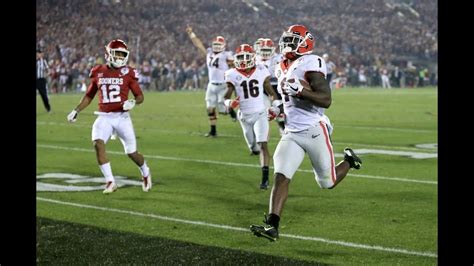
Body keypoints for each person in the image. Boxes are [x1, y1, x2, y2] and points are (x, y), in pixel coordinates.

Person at [250, 25, 362, 241]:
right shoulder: (282, 66)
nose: (286, 44)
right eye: (287, 40)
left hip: (314, 130)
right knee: (281, 176)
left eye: (292, 40)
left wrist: (301, 90)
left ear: (305, 43)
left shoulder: (311, 62)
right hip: (292, 132)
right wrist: (278, 108)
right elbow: (288, 98)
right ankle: (272, 226)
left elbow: (326, 99)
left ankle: (349, 160)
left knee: (326, 182)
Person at [66, 39, 152, 194]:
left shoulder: (128, 73)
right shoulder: (98, 71)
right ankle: (110, 182)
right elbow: (89, 95)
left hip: (122, 117)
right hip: (104, 117)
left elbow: (140, 96)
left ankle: (145, 172)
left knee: (131, 153)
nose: (120, 57)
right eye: (117, 54)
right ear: (108, 54)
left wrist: (133, 102)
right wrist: (76, 110)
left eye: (122, 54)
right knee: (97, 144)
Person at [224, 44, 279, 190]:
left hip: (260, 113)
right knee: (253, 146)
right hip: (244, 116)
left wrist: (275, 105)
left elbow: (271, 91)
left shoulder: (261, 70)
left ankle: (265, 179)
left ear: (252, 57)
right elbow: (226, 95)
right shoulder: (231, 73)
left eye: (245, 57)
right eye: (240, 57)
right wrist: (229, 102)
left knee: (263, 144)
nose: (243, 60)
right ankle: (252, 148)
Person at [186, 25, 237, 137]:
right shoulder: (209, 53)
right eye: (215, 45)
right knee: (209, 108)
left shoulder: (226, 55)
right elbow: (198, 45)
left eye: (219, 45)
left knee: (223, 110)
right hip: (211, 85)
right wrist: (191, 34)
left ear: (224, 46)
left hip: (223, 85)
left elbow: (234, 65)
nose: (217, 47)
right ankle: (213, 131)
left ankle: (231, 111)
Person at [255, 38, 286, 135]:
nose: (265, 53)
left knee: (279, 110)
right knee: (264, 111)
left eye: (267, 50)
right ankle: (262, 133)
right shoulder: (255, 58)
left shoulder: (280, 58)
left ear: (272, 49)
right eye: (263, 50)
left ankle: (282, 127)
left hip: (277, 86)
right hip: (263, 88)